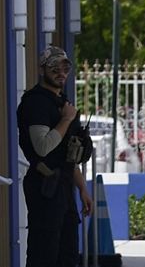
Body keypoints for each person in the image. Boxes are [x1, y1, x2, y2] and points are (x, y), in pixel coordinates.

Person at [17, 45, 94, 266]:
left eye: (65, 67)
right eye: (54, 67)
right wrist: (66, 120)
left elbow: (68, 155)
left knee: (67, 253)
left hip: (64, 186)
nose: (60, 73)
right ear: (42, 70)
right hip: (45, 186)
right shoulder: (36, 102)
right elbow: (42, 147)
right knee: (45, 252)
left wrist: (82, 188)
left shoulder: (63, 103)